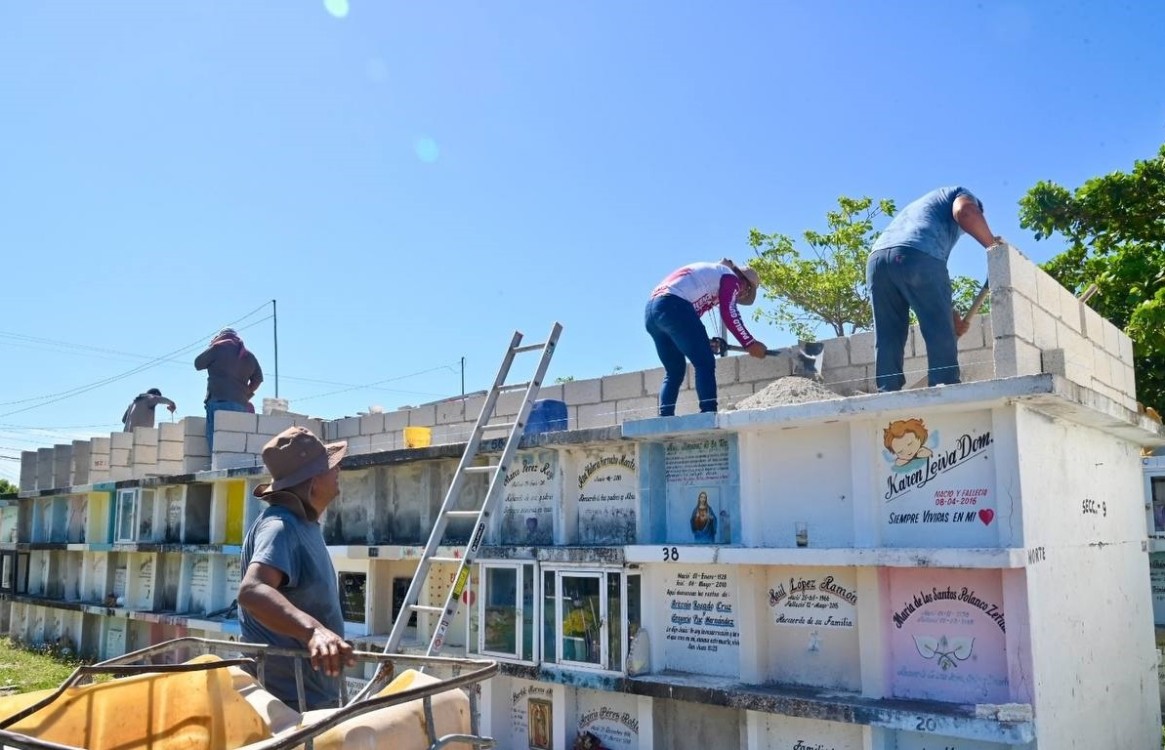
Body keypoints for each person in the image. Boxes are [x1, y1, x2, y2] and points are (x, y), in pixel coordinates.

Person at [237, 426, 353, 710]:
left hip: (311, 699)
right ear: (312, 481)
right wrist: (313, 631)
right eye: (330, 466)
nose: (338, 469)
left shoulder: (302, 524)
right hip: (289, 705)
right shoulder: (280, 526)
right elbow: (253, 591)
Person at [867, 187, 1002, 392]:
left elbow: (922, 281)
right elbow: (965, 212)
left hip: (877, 261)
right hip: (917, 255)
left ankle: (887, 392)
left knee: (889, 335)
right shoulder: (961, 194)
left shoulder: (925, 212)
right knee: (939, 332)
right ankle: (945, 388)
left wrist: (950, 319)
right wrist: (993, 246)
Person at [645, 259, 766, 416]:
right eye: (747, 289)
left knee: (675, 370)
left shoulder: (712, 278)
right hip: (673, 306)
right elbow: (729, 313)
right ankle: (708, 413)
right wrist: (749, 343)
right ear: (741, 278)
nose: (742, 293)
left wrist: (704, 343)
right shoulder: (730, 277)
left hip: (652, 312)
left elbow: (686, 324)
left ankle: (665, 416)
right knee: (705, 362)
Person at [194, 328, 263, 450]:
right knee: (234, 439)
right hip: (240, 404)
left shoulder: (218, 348)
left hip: (218, 401)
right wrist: (245, 395)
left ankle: (216, 466)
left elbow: (198, 363)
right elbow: (258, 379)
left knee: (216, 439)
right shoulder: (248, 355)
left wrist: (213, 344)